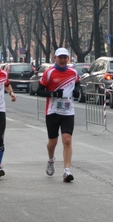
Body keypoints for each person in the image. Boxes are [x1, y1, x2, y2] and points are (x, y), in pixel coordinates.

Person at [36, 47, 80, 183]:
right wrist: (53, 93)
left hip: (68, 111)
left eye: (64, 58)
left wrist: (77, 91)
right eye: (59, 57)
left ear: (68, 59)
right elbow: (39, 91)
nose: (62, 60)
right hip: (52, 111)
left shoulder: (73, 72)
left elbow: (78, 84)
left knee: (67, 140)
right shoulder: (49, 73)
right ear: (54, 58)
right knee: (52, 143)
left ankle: (67, 171)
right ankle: (51, 160)